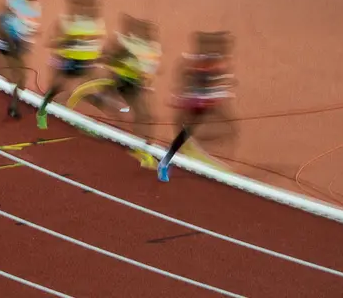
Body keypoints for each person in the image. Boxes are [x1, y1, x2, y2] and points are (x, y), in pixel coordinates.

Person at [158, 31, 236, 182]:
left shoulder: (216, 61)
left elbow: (214, 81)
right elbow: (193, 80)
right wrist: (184, 96)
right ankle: (164, 162)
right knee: (186, 133)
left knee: (191, 130)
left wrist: (221, 91)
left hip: (202, 104)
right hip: (196, 103)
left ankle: (176, 154)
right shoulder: (201, 64)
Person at [92, 14, 162, 167]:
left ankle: (140, 146)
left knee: (146, 116)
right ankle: (137, 145)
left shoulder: (152, 47)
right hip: (119, 81)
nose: (150, 33)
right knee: (141, 115)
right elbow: (105, 56)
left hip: (133, 84)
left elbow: (151, 68)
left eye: (149, 31)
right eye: (144, 30)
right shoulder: (123, 41)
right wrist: (120, 57)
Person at [36, 0, 106, 129]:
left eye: (92, 6)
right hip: (65, 62)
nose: (90, 9)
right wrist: (68, 42)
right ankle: (42, 113)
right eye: (84, 6)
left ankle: (89, 121)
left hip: (85, 64)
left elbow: (96, 45)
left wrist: (98, 57)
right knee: (55, 89)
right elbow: (50, 43)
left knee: (91, 91)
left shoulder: (98, 24)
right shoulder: (64, 21)